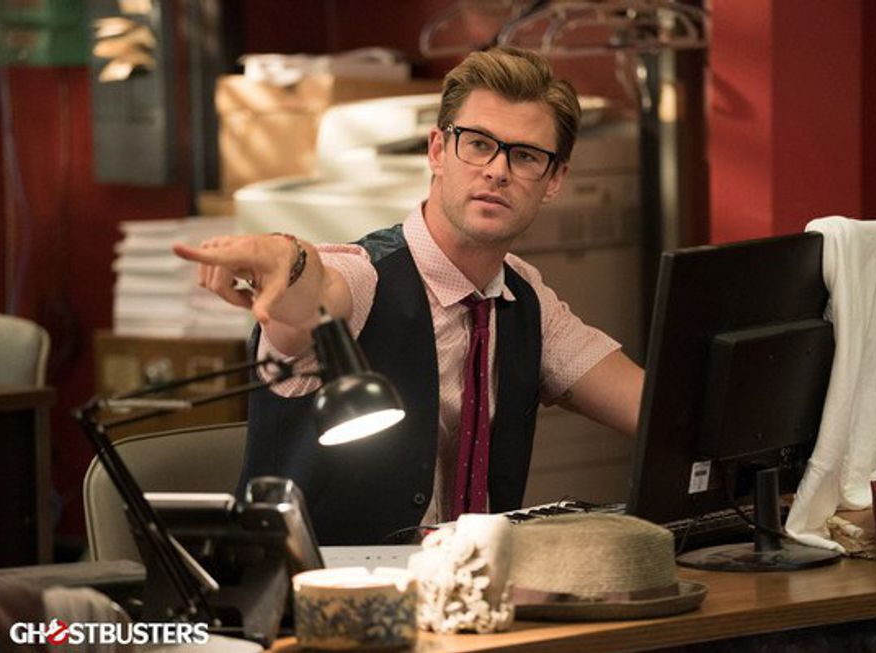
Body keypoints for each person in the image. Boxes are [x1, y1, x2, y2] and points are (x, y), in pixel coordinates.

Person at [173, 46, 644, 545]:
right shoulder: (366, 276)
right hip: (318, 588)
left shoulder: (523, 298)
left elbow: (653, 409)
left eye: (525, 156)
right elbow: (317, 292)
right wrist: (286, 256)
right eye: (478, 144)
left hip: (468, 585)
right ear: (437, 150)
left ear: (555, 180)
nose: (497, 170)